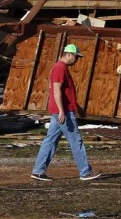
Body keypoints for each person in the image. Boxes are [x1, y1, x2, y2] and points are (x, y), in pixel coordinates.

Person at [31, 43, 101, 181]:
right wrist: (62, 111)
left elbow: (66, 94)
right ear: (69, 55)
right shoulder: (60, 68)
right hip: (63, 112)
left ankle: (38, 171)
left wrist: (77, 107)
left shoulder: (60, 68)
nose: (77, 60)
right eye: (76, 57)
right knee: (76, 140)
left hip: (60, 111)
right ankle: (85, 172)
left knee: (50, 140)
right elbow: (56, 90)